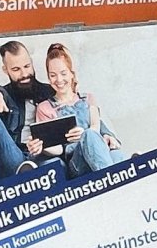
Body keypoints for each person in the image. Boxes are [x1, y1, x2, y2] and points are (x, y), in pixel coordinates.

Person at [23, 41, 123, 174]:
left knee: (114, 153)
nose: (59, 80)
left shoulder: (88, 98)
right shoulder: (45, 108)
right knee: (92, 138)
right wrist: (42, 146)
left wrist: (84, 135)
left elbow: (95, 128)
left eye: (63, 73)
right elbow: (58, 149)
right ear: (48, 77)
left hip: (97, 151)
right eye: (53, 75)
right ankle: (112, 178)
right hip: (76, 163)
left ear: (71, 74)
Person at [0, 40, 56, 186]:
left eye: (27, 66)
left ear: (32, 63)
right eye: (16, 69)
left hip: (45, 158)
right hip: (14, 160)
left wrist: (105, 132)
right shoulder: (4, 94)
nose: (24, 74)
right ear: (5, 70)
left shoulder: (51, 91)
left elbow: (79, 107)